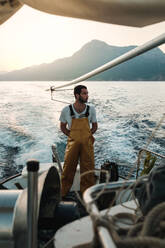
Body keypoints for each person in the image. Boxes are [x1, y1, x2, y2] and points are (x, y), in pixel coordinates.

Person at [59, 85, 98, 198]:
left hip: (87, 144)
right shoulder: (66, 110)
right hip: (73, 144)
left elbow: (95, 126)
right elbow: (62, 127)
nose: (87, 96)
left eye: (87, 93)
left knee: (88, 170)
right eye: (84, 93)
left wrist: (88, 135)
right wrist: (72, 136)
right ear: (77, 95)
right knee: (68, 169)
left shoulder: (91, 109)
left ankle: (87, 196)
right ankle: (63, 194)